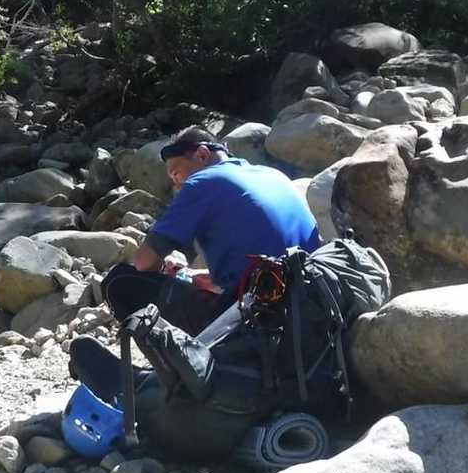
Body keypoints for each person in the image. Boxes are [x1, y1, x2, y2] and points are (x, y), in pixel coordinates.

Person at [101, 125, 322, 335]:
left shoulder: (203, 181)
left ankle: (188, 362)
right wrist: (195, 277)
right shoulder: (271, 174)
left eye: (176, 174)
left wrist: (159, 270)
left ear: (202, 154)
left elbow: (143, 262)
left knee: (120, 281)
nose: (177, 186)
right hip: (313, 302)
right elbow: (269, 258)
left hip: (259, 321)